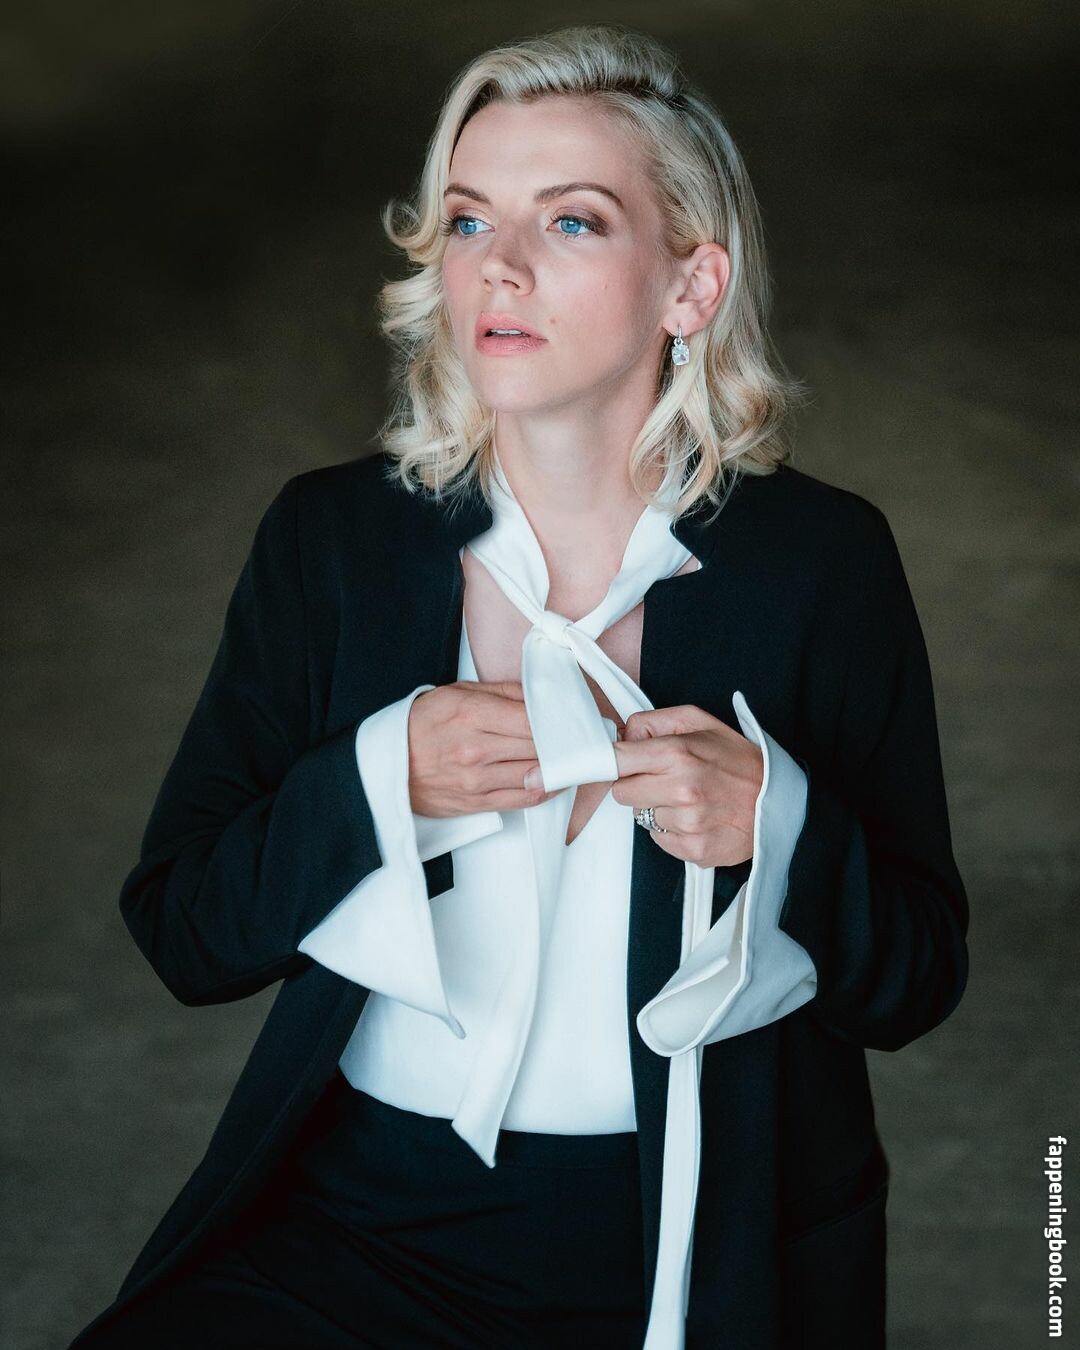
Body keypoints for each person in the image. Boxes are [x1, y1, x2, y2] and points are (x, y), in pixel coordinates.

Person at [68, 22, 969, 1350]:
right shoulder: (332, 542)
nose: (499, 264)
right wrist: (380, 780)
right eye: (469, 218)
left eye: (574, 221)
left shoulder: (820, 564)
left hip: (693, 1242)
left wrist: (775, 827)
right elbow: (185, 930)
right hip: (350, 1235)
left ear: (691, 285)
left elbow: (916, 978)